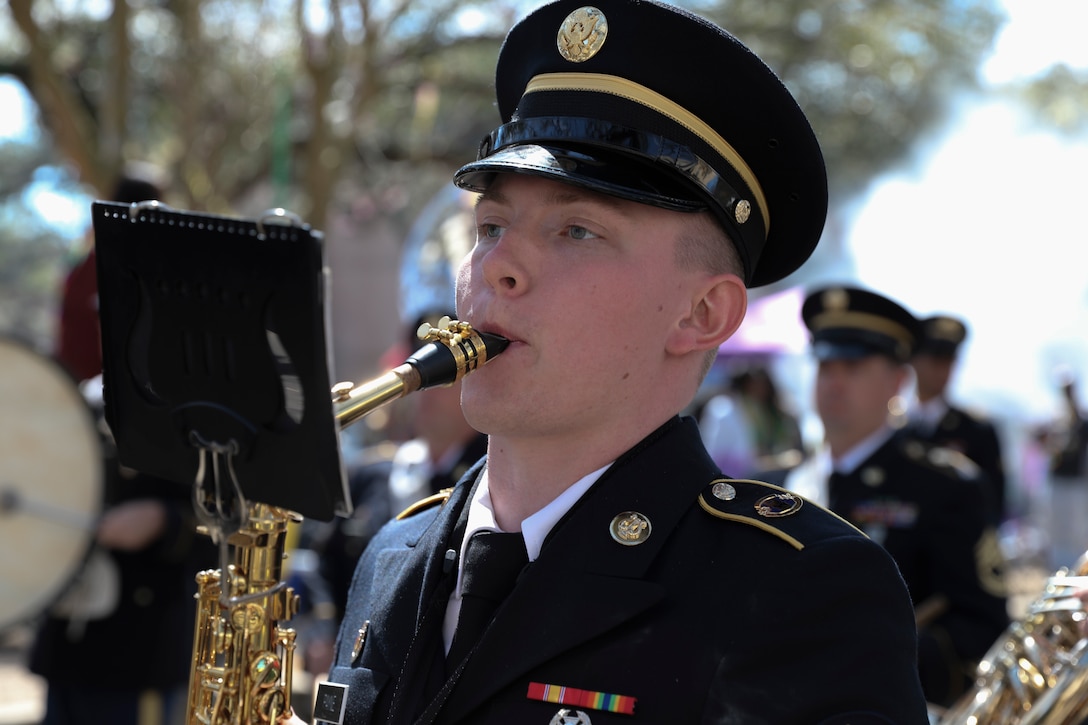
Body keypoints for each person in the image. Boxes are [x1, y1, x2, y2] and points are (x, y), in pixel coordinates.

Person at [290, 1, 929, 722]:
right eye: (491, 225)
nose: (498, 264)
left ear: (702, 314)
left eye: (576, 230)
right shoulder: (392, 552)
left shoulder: (800, 591)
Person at [29, 170, 218, 725]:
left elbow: (233, 520)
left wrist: (163, 520)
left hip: (142, 646)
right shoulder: (75, 403)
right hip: (68, 641)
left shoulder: (199, 400)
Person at [761, 285, 1009, 708]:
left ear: (897, 380)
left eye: (853, 366)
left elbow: (981, 632)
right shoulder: (770, 484)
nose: (834, 382)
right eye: (825, 365)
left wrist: (877, 649)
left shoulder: (946, 487)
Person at [906, 315, 1009, 525]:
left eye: (949, 361)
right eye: (935, 359)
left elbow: (994, 499)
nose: (943, 370)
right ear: (914, 360)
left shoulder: (978, 429)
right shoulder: (893, 425)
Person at [1040, 372, 1088, 570]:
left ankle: (1077, 569)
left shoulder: (1082, 420)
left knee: (1076, 529)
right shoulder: (1054, 418)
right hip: (1057, 480)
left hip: (1076, 481)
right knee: (1055, 527)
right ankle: (1057, 569)